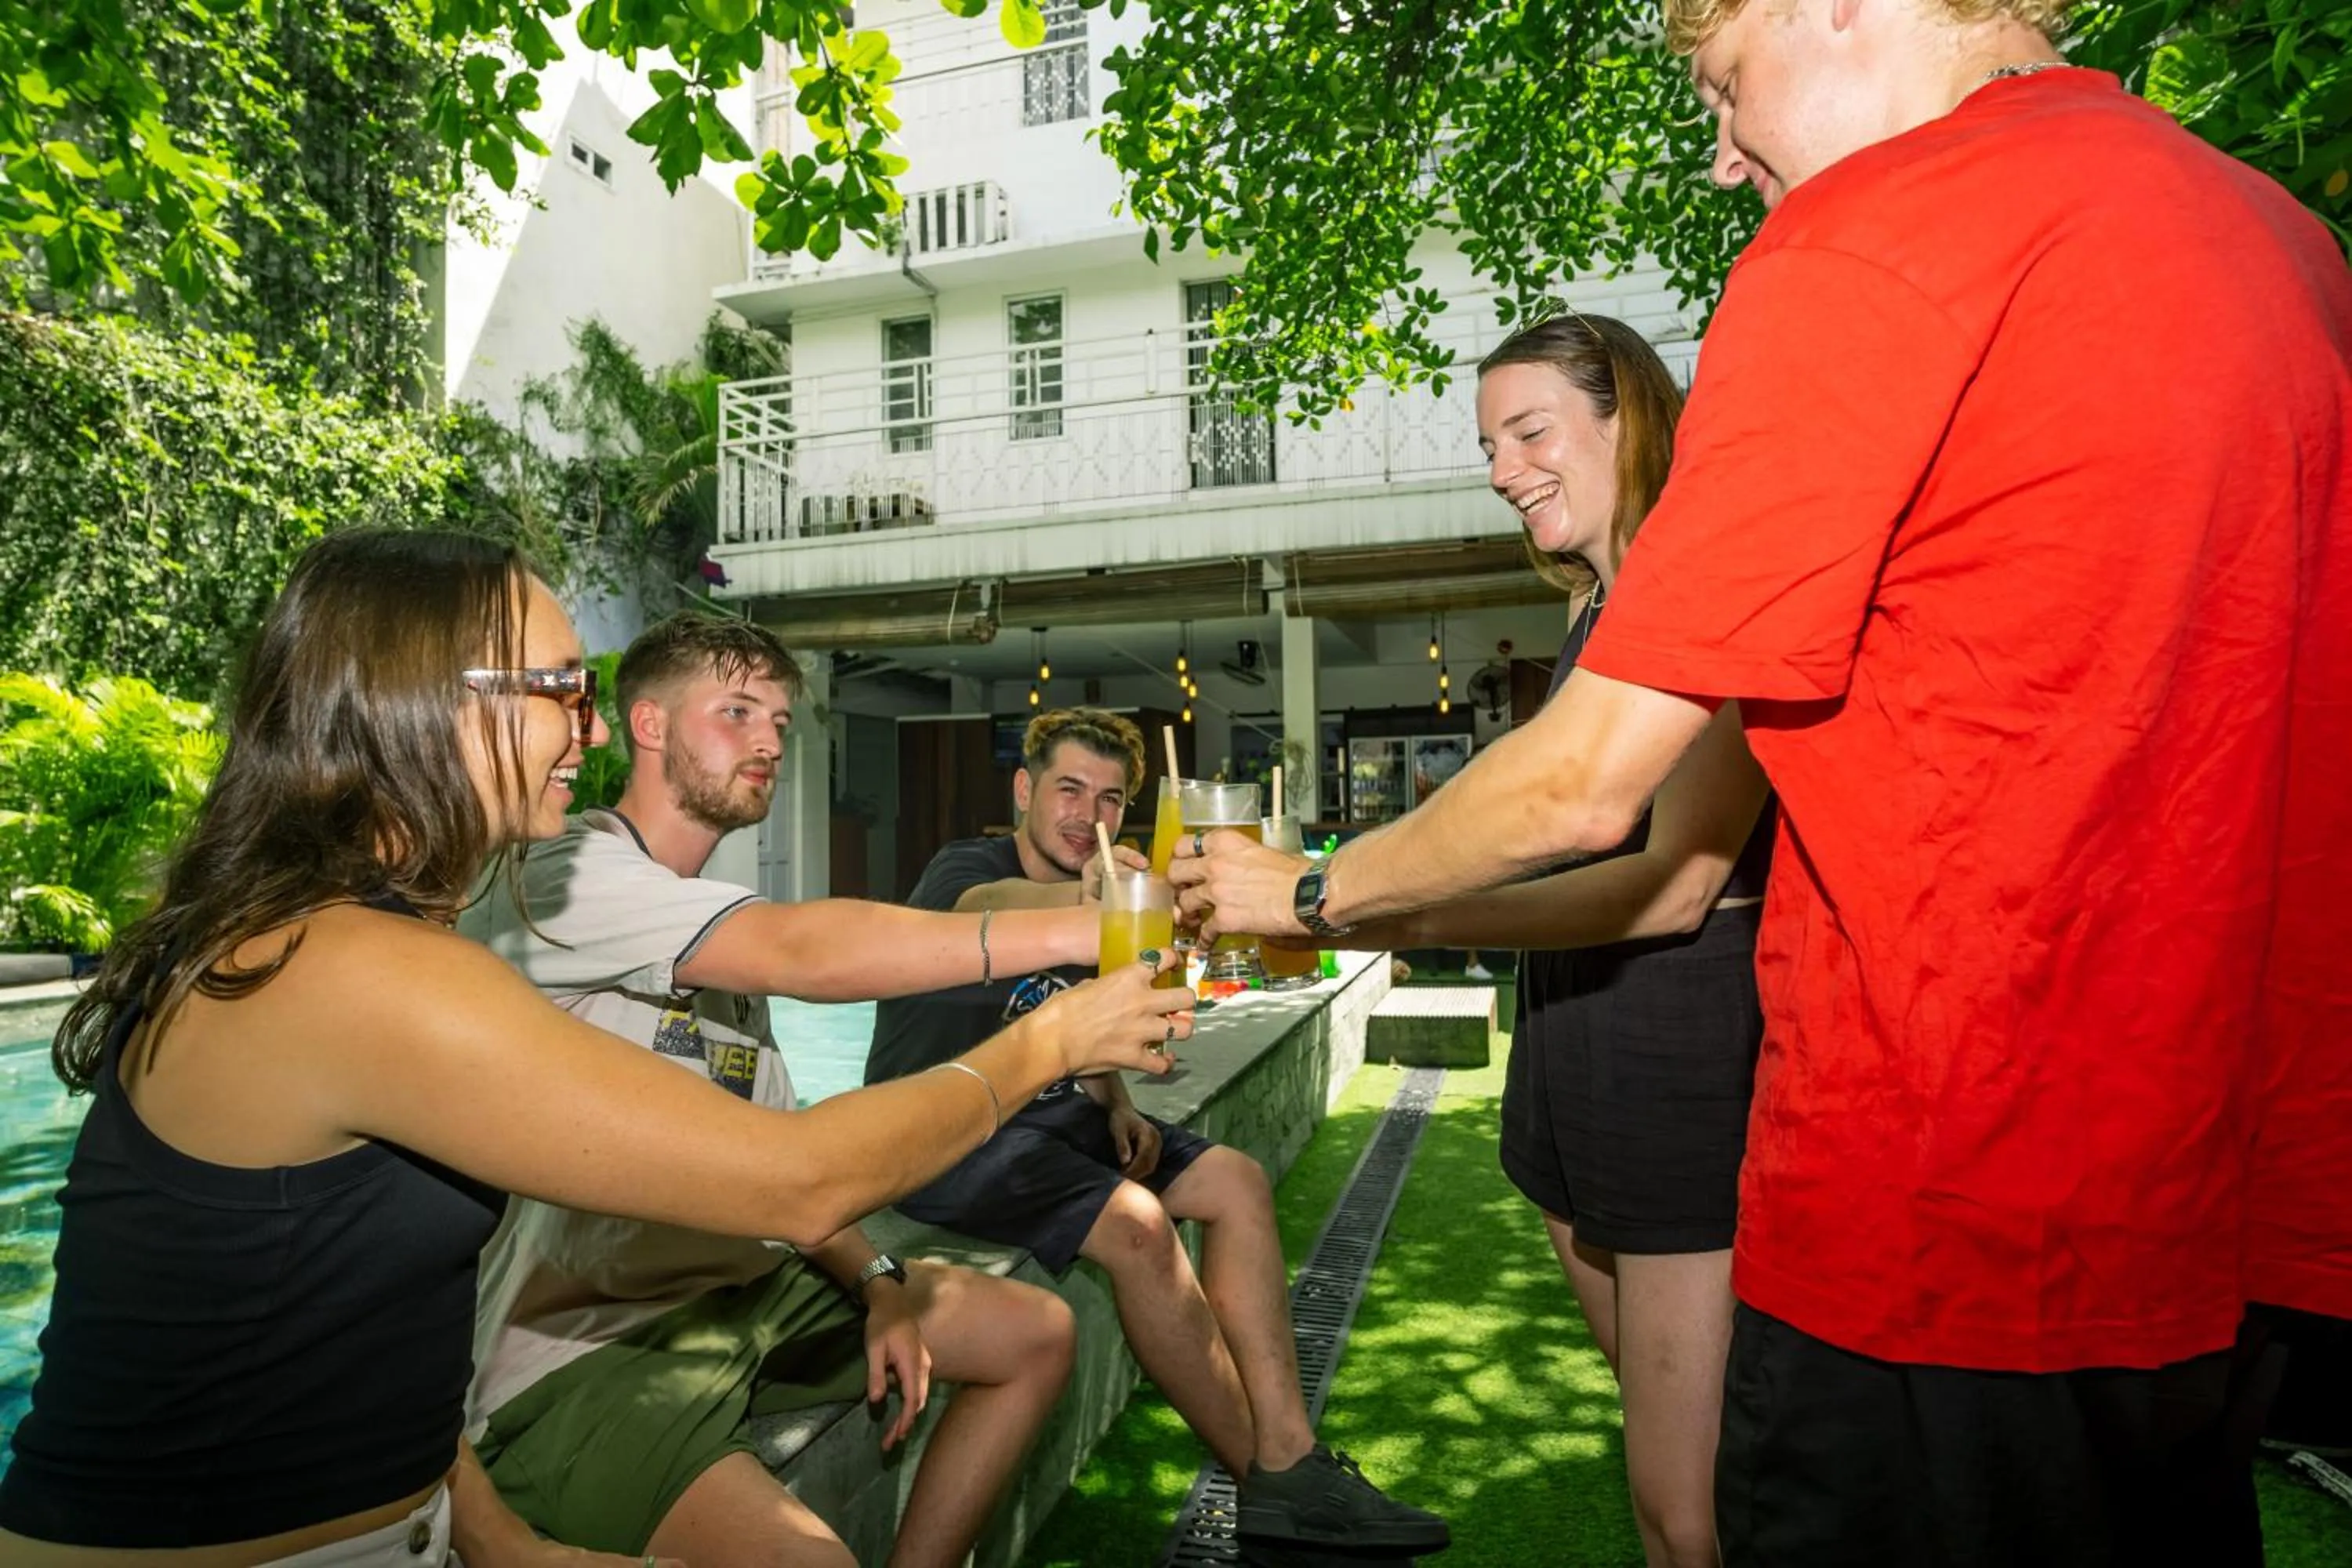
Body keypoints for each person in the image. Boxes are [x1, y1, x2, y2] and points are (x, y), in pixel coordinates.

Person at [1171, 3, 2352, 1562]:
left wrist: (1315, 890)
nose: (1726, 158)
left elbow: (1596, 792)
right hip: (2211, 1188)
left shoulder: (1876, 234)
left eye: (1726, 84)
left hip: (1948, 1200)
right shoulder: (2282, 239)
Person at [0, 531, 1190, 1567]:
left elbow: (350, 1341)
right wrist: (1051, 1037)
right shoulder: (361, 971)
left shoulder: (341, 939)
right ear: (425, 696)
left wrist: (502, 1544)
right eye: (558, 691)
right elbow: (800, 1170)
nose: (584, 728)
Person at [459, 612, 1115, 1568]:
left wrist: (878, 1277)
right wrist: (1077, 931)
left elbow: (786, 1145)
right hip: (588, 1346)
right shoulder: (565, 877)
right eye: (736, 711)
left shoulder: (711, 931)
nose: (769, 740)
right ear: (647, 725)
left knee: (1037, 1329)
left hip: (745, 1289)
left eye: (777, 717)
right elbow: (807, 945)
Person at [1340, 311, 1773, 1568]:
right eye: (1488, 445)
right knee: (1680, 1451)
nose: (1502, 468)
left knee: (1685, 1511)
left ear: (1626, 416)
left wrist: (1372, 904)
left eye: (1530, 431)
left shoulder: (1711, 584)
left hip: (1678, 1046)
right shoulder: (1596, 609)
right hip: (1570, 1044)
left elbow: (1669, 886)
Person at [868, 707, 1450, 1556]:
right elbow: (983, 908)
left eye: (1108, 800)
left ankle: (1290, 1453)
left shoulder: (1108, 884)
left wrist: (1113, 1102)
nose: (1086, 814)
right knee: (1139, 1227)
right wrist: (1091, 899)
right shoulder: (972, 866)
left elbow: (1081, 1016)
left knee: (1236, 1181)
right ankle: (1270, 1485)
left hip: (1049, 1116)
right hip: (948, 1128)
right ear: (1024, 790)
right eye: (1067, 789)